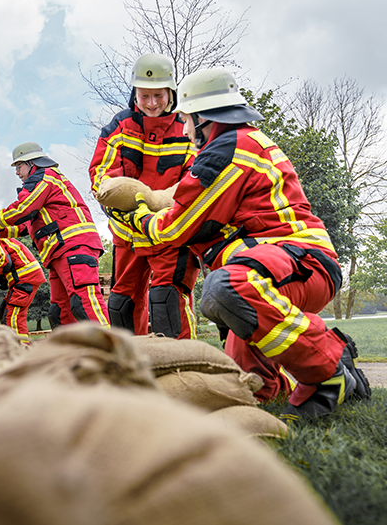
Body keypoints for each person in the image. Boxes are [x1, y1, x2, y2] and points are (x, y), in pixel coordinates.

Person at [116, 67, 371, 420]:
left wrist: (137, 214)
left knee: (224, 290)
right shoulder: (240, 142)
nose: (185, 130)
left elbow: (175, 229)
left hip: (296, 263)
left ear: (204, 118)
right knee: (247, 386)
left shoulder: (226, 150)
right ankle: (295, 381)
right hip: (283, 266)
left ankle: (328, 365)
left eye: (187, 120)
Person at [89, 53, 199, 339]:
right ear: (134, 93)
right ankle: (130, 374)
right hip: (127, 233)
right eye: (144, 95)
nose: (151, 103)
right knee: (121, 305)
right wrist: (130, 216)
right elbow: (101, 178)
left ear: (171, 93)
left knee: (166, 301)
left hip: (171, 233)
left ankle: (182, 372)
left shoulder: (186, 129)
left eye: (158, 95)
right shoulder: (119, 127)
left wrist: (164, 215)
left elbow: (196, 178)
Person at [0, 142, 109, 328]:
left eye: (19, 166)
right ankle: (72, 354)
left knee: (84, 302)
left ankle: (111, 350)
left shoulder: (44, 177)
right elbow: (24, 226)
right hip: (59, 251)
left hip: (73, 245)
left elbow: (21, 210)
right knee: (59, 312)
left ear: (32, 163)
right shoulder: (43, 185)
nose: (17, 172)